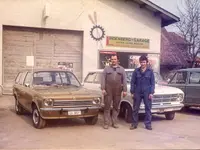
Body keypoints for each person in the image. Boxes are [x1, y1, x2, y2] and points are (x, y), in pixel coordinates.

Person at [101, 55, 127, 129]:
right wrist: (103, 89)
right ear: (110, 60)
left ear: (117, 60)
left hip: (118, 91)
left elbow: (124, 80)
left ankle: (114, 122)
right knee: (107, 107)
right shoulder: (106, 69)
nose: (113, 61)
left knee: (116, 107)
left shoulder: (121, 69)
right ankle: (106, 123)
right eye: (112, 59)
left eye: (115, 59)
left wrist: (125, 90)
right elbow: (103, 79)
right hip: (108, 90)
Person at [130, 55, 155, 130]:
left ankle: (148, 124)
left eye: (144, 62)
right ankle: (134, 124)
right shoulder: (136, 71)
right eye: (141, 62)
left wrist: (151, 92)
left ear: (146, 62)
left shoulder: (150, 71)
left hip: (147, 92)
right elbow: (132, 82)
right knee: (135, 109)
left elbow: (152, 83)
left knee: (148, 109)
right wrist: (132, 92)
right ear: (140, 63)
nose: (143, 63)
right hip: (137, 91)